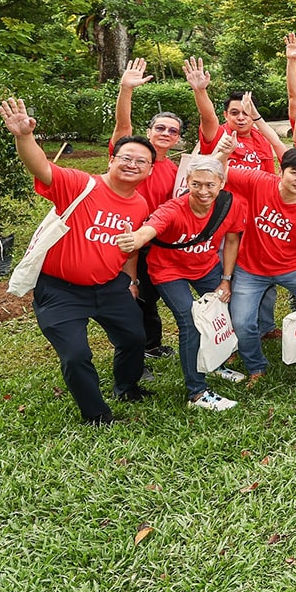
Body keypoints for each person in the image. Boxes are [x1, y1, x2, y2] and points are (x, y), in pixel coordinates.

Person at [0, 97, 153, 425]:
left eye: (141, 161)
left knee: (134, 338)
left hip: (111, 286)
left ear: (150, 170)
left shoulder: (140, 205)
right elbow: (41, 167)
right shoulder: (80, 185)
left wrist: (132, 282)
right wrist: (24, 137)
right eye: (126, 157)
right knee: (76, 355)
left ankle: (126, 386)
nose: (132, 164)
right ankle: (96, 415)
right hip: (60, 291)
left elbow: (130, 248)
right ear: (112, 159)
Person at [114, 158, 245, 411]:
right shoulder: (173, 209)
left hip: (206, 267)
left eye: (210, 185)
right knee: (191, 323)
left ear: (221, 183)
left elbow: (231, 241)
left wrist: (226, 280)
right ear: (187, 182)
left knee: (219, 315)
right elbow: (151, 228)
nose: (203, 191)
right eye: (196, 184)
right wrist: (135, 238)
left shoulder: (231, 205)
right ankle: (197, 393)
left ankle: (215, 363)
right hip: (168, 270)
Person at [210, 132, 296, 386]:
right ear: (281, 170)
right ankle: (256, 366)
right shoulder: (259, 181)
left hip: (293, 267)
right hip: (250, 269)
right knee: (242, 322)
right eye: (295, 173)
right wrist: (223, 152)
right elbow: (220, 173)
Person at [110, 57, 184, 363]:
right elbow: (121, 127)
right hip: (126, 239)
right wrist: (126, 90)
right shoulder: (131, 156)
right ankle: (132, 354)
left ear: (178, 137)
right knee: (130, 296)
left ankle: (151, 345)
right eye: (160, 127)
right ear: (150, 130)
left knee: (149, 296)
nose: (166, 133)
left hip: (156, 242)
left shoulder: (176, 169)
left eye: (173, 130)